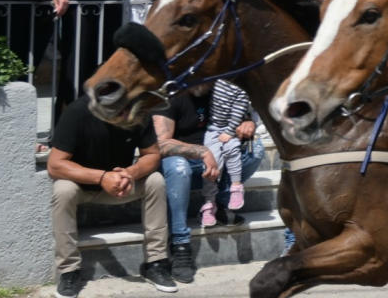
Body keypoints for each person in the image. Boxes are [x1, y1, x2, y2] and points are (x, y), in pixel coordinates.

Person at [48, 96, 174, 297]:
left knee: (155, 181)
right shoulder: (77, 112)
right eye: (120, 111)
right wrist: (102, 177)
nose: (126, 115)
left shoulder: (138, 112)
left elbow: (152, 155)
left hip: (121, 184)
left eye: (128, 109)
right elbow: (55, 165)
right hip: (83, 187)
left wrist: (130, 173)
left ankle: (155, 263)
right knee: (63, 190)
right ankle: (69, 271)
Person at [154, 82, 264, 283]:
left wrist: (247, 122)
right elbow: (160, 144)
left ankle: (220, 204)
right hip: (183, 167)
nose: (201, 79)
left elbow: (240, 112)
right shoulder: (172, 96)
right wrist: (203, 152)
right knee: (178, 167)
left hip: (216, 165)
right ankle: (180, 243)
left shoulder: (220, 91)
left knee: (255, 150)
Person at [200, 79, 252, 226]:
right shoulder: (216, 80)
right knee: (212, 164)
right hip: (213, 128)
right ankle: (209, 202)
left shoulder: (241, 88)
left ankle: (236, 187)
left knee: (232, 151)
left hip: (231, 129)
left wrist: (229, 132)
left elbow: (239, 111)